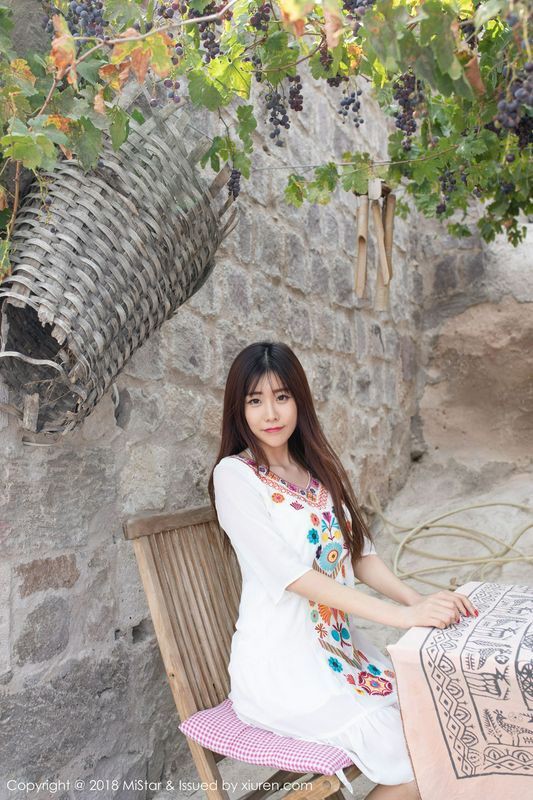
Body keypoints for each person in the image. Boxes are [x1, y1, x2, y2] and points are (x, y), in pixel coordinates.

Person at [207, 342, 477, 800]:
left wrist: (419, 602)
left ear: (299, 400)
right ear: (239, 409)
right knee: (423, 762)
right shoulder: (235, 477)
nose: (270, 413)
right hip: (283, 670)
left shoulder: (316, 470)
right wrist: (402, 617)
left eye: (282, 396)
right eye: (255, 400)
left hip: (342, 655)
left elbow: (359, 555)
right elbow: (294, 577)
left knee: (442, 728)